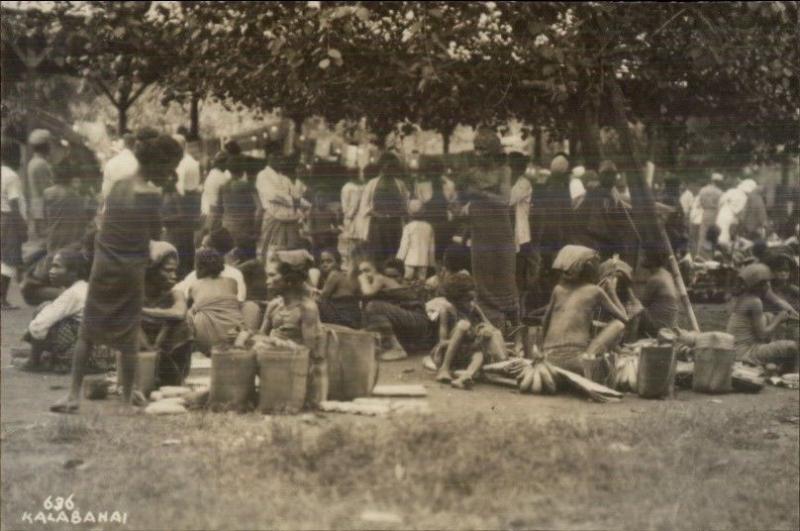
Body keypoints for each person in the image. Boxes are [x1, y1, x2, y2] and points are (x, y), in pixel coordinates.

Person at [52, 129, 181, 413]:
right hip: (130, 269)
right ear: (158, 166)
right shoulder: (150, 193)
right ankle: (126, 398)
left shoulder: (120, 184)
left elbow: (106, 223)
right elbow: (154, 234)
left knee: (89, 331)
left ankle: (73, 395)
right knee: (128, 334)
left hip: (103, 264)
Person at [461, 129, 518, 330]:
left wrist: (478, 193)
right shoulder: (471, 173)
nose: (477, 153)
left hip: (500, 233)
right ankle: (486, 323)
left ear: (493, 151)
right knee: (481, 278)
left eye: (482, 149)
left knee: (503, 278)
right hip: (480, 232)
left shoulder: (504, 171)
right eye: (475, 148)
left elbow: (504, 200)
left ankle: (511, 324)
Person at [541, 245, 628, 373]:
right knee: (618, 325)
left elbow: (544, 323)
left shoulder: (557, 290)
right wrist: (611, 292)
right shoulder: (595, 291)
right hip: (576, 361)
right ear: (589, 269)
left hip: (548, 360)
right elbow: (624, 318)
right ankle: (589, 358)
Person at [432, 272, 507, 389]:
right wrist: (471, 336)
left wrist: (484, 333)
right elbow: (442, 342)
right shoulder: (447, 311)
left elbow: (492, 327)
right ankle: (444, 369)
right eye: (468, 299)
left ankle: (465, 377)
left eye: (473, 299)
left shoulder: (474, 308)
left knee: (479, 355)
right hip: (447, 353)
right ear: (455, 299)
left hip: (466, 351)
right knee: (464, 325)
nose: (472, 303)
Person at [21, 245, 89, 372]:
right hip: (100, 351)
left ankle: (33, 362)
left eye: (57, 266)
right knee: (49, 312)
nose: (51, 271)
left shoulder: (73, 293)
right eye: (52, 266)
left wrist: (29, 333)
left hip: (83, 354)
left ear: (73, 273)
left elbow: (38, 326)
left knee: (43, 310)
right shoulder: (84, 287)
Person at [726, 263, 799, 373]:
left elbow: (778, 302)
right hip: (745, 353)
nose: (769, 285)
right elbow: (762, 334)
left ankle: (779, 368)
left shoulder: (743, 297)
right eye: (767, 282)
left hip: (734, 350)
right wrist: (779, 319)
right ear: (760, 284)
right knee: (793, 346)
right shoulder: (755, 302)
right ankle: (790, 373)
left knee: (768, 316)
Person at [357, 256, 432, 361]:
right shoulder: (383, 286)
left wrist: (362, 280)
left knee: (374, 306)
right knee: (370, 308)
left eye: (367, 270)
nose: (391, 279)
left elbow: (367, 292)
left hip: (418, 321)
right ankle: (393, 346)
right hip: (410, 324)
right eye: (388, 276)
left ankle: (396, 349)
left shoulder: (381, 279)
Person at [139, 241, 192, 386]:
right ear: (152, 271)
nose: (174, 276)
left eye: (175, 271)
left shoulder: (175, 293)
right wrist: (151, 350)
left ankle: (174, 377)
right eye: (168, 270)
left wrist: (141, 311)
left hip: (165, 348)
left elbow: (179, 313)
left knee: (186, 322)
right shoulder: (135, 293)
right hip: (142, 347)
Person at [186, 248, 244, 354]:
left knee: (189, 313)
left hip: (207, 340)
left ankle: (192, 349)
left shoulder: (194, 285)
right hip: (234, 334)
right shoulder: (232, 282)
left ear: (198, 266)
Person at [256, 152, 309, 260]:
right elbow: (273, 196)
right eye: (278, 159)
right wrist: (292, 201)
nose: (281, 162)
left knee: (290, 248)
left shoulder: (285, 178)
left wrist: (308, 205)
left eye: (282, 159)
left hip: (289, 217)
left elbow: (296, 195)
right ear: (270, 159)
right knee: (270, 249)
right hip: (273, 215)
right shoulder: (263, 175)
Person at [361, 153, 409, 266]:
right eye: (387, 166)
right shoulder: (372, 184)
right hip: (377, 225)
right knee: (378, 254)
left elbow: (405, 204)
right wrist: (377, 214)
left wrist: (397, 214)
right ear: (382, 167)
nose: (389, 169)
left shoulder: (400, 184)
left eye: (392, 167)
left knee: (395, 253)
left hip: (395, 225)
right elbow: (364, 206)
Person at [1, 140, 27, 310]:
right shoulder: (11, 176)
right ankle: (2, 299)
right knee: (8, 260)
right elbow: (14, 203)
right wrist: (22, 227)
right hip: (9, 218)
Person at [220, 154, 261, 254]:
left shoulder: (223, 186)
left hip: (227, 230)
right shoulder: (247, 186)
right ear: (243, 169)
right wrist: (257, 230)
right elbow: (260, 209)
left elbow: (219, 209)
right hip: (245, 231)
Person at [633, 251, 680, 338]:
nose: (642, 259)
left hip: (659, 326)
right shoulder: (667, 274)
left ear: (652, 261)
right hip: (671, 324)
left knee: (635, 308)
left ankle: (633, 339)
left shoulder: (655, 279)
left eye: (645, 257)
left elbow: (643, 303)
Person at [317, 248, 361, 329]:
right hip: (352, 318)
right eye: (322, 262)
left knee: (317, 302)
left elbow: (322, 297)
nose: (325, 265)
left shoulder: (334, 275)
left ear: (338, 263)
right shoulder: (342, 276)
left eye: (329, 261)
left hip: (343, 318)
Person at [201, 142, 238, 231]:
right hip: (215, 211)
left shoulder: (213, 173)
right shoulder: (221, 177)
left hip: (208, 209)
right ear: (222, 163)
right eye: (227, 162)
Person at [396, 199, 435, 282]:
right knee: (422, 281)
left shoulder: (408, 227)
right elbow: (431, 247)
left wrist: (399, 259)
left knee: (407, 280)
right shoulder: (429, 227)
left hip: (410, 260)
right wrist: (431, 262)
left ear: (410, 213)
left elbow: (404, 245)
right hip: (424, 260)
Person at [27, 129, 54, 238]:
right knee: (46, 239)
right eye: (49, 144)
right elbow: (47, 189)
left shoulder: (33, 162)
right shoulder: (41, 164)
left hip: (37, 204)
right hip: (44, 206)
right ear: (44, 146)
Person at [338, 167, 363, 272]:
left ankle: (348, 265)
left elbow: (345, 205)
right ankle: (352, 266)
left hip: (348, 217)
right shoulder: (355, 188)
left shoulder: (345, 187)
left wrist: (346, 216)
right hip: (353, 218)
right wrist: (350, 216)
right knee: (353, 243)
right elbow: (354, 205)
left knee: (348, 243)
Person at [695, 172, 724, 258]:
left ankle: (700, 254)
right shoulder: (719, 192)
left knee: (703, 234)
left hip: (705, 212)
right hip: (715, 213)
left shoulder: (703, 190)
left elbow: (699, 203)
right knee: (712, 235)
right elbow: (720, 204)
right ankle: (709, 255)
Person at [102, 133, 138, 198]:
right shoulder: (136, 163)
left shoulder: (111, 162)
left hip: (112, 201)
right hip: (130, 202)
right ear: (134, 146)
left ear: (122, 144)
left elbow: (105, 188)